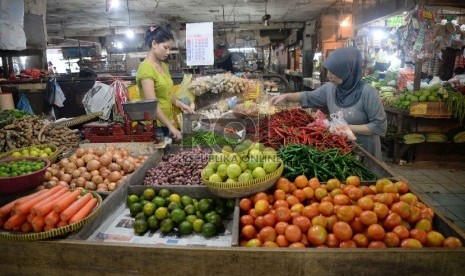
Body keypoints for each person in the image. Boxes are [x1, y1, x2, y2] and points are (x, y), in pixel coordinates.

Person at [269, 46, 387, 160]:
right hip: (340, 151)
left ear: (347, 70)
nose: (328, 75)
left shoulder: (368, 93)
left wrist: (346, 127)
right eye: (328, 70)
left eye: (334, 71)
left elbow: (379, 126)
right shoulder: (331, 88)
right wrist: (286, 96)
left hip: (364, 151)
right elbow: (309, 96)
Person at [136, 25, 194, 140]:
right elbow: (152, 104)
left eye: (170, 48)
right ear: (154, 44)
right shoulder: (146, 68)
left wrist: (180, 104)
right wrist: (171, 127)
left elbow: (166, 94)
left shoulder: (163, 66)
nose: (168, 52)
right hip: (153, 126)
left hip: (165, 122)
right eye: (165, 47)